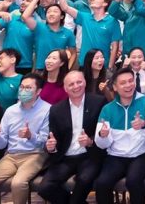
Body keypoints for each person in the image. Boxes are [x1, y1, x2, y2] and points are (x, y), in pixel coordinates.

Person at [0, 72, 50, 204]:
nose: (23, 90)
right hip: (11, 155)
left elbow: (45, 142)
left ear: (38, 91)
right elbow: (1, 145)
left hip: (35, 154)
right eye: (21, 87)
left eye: (28, 88)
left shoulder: (47, 109)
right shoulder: (10, 111)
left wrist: (30, 136)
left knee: (18, 183)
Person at [37, 70, 107, 204]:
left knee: (84, 179)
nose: (76, 86)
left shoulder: (98, 102)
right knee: (45, 188)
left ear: (85, 82)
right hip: (65, 157)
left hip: (89, 156)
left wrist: (90, 141)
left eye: (79, 82)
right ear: (65, 88)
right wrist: (51, 147)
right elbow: (53, 137)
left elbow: (103, 131)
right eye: (71, 84)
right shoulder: (56, 109)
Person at [92, 67, 145, 204]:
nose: (128, 85)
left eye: (131, 81)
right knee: (102, 183)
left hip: (142, 153)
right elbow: (101, 144)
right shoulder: (107, 109)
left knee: (133, 181)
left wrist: (144, 125)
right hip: (116, 156)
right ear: (115, 87)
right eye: (123, 83)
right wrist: (103, 135)